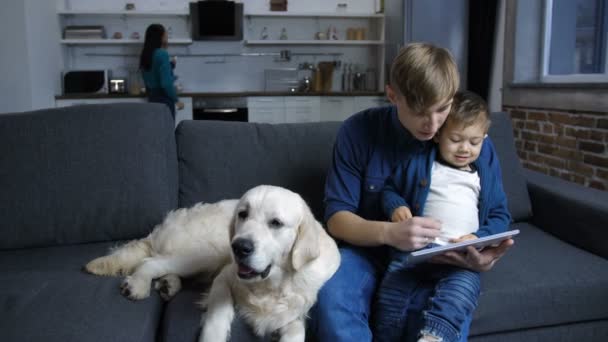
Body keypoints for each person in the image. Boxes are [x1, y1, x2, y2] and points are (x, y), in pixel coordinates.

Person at [309, 42, 514, 342]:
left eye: (442, 109)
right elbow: (337, 219)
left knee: (437, 320)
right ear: (392, 96)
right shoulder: (358, 131)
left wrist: (483, 255)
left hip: (438, 260)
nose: (433, 125)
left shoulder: (468, 142)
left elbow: (497, 213)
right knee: (332, 299)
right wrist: (391, 233)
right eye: (420, 112)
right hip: (367, 253)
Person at [374, 90, 511, 342]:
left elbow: (501, 216)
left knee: (460, 293)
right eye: (456, 139)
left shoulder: (483, 177)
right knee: (391, 297)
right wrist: (395, 206)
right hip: (416, 253)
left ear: (485, 139)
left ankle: (434, 337)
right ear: (438, 135)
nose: (464, 149)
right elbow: (389, 188)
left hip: (461, 258)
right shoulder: (419, 163)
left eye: (474, 142)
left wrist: (479, 237)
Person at [139, 24, 184, 120]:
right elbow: (166, 83)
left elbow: (151, 75)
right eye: (166, 34)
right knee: (168, 132)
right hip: (164, 100)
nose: (167, 36)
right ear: (160, 37)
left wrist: (170, 66)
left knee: (157, 131)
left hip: (152, 99)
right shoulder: (162, 53)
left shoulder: (145, 54)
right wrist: (176, 100)